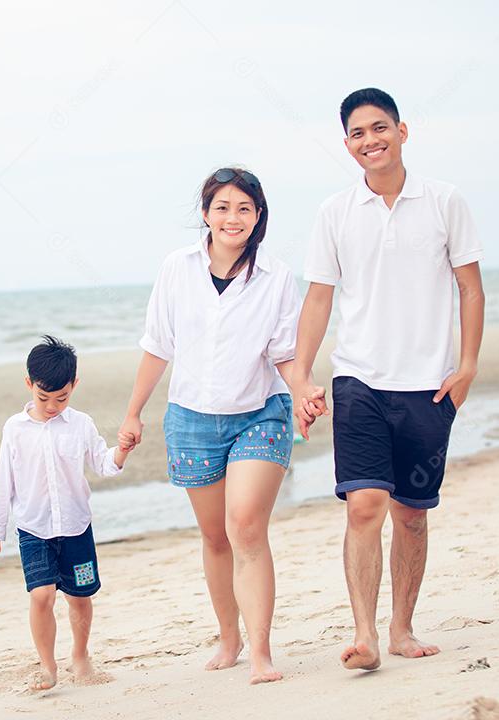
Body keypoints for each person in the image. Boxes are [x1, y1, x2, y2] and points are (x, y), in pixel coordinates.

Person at [290, 88, 486, 671]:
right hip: (359, 379)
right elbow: (319, 299)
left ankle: (402, 628)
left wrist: (468, 364)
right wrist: (301, 375)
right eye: (357, 133)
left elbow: (470, 288)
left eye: (380, 127)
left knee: (412, 512)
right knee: (363, 505)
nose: (370, 140)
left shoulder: (445, 201)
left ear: (403, 131)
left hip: (429, 383)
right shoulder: (334, 212)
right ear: (347, 145)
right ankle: (365, 635)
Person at [118, 167, 319, 685]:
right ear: (206, 213)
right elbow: (158, 344)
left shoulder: (276, 277)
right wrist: (134, 411)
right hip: (191, 418)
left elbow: (284, 352)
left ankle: (260, 653)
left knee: (246, 525)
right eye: (223, 207)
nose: (234, 218)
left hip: (260, 414)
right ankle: (228, 638)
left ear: (259, 218)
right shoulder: (177, 268)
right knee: (214, 537)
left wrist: (303, 390)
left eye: (245, 209)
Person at [0, 335, 131, 691]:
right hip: (33, 529)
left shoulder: (81, 424)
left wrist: (122, 449)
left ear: (74, 385)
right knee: (42, 595)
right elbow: (4, 478)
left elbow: (102, 463)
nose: (52, 406)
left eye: (61, 398)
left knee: (80, 597)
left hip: (77, 529)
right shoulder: (14, 429)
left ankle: (80, 656)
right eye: (43, 397)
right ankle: (47, 667)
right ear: (29, 384)